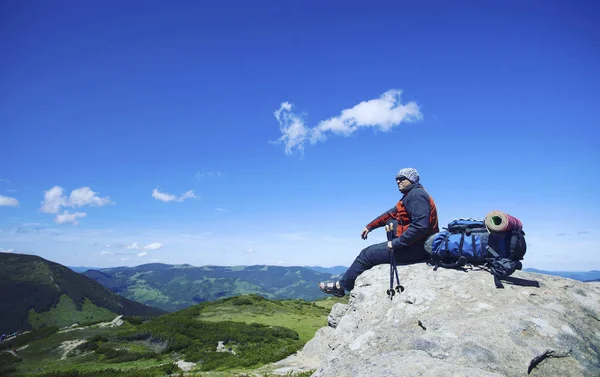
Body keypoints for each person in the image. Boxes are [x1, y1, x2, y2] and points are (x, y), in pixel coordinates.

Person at [319, 168, 439, 297]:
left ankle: (340, 286)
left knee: (366, 254)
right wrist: (369, 227)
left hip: (418, 248)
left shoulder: (416, 196)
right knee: (391, 222)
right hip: (415, 243)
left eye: (402, 178)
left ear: (412, 179)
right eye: (396, 179)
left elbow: (421, 227)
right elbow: (389, 215)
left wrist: (395, 243)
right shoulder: (409, 196)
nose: (398, 181)